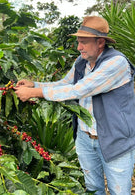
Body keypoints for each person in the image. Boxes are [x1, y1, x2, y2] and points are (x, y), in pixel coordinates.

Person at [14, 16, 135, 195]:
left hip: (115, 140)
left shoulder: (116, 63)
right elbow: (65, 83)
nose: (79, 47)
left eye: (84, 42)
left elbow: (79, 90)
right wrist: (35, 85)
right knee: (93, 189)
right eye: (79, 42)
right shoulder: (82, 62)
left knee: (119, 192)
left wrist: (34, 93)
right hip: (85, 138)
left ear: (100, 42)